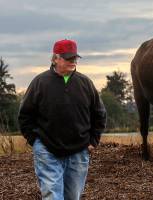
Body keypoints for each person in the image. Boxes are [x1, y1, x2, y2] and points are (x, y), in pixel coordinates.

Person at [18, 39, 107, 200]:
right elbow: (25, 115)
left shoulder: (85, 83)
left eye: (75, 58)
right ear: (56, 58)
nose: (73, 61)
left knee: (73, 196)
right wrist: (36, 141)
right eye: (68, 58)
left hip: (79, 151)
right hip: (47, 150)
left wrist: (93, 141)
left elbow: (99, 114)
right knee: (52, 195)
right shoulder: (40, 82)